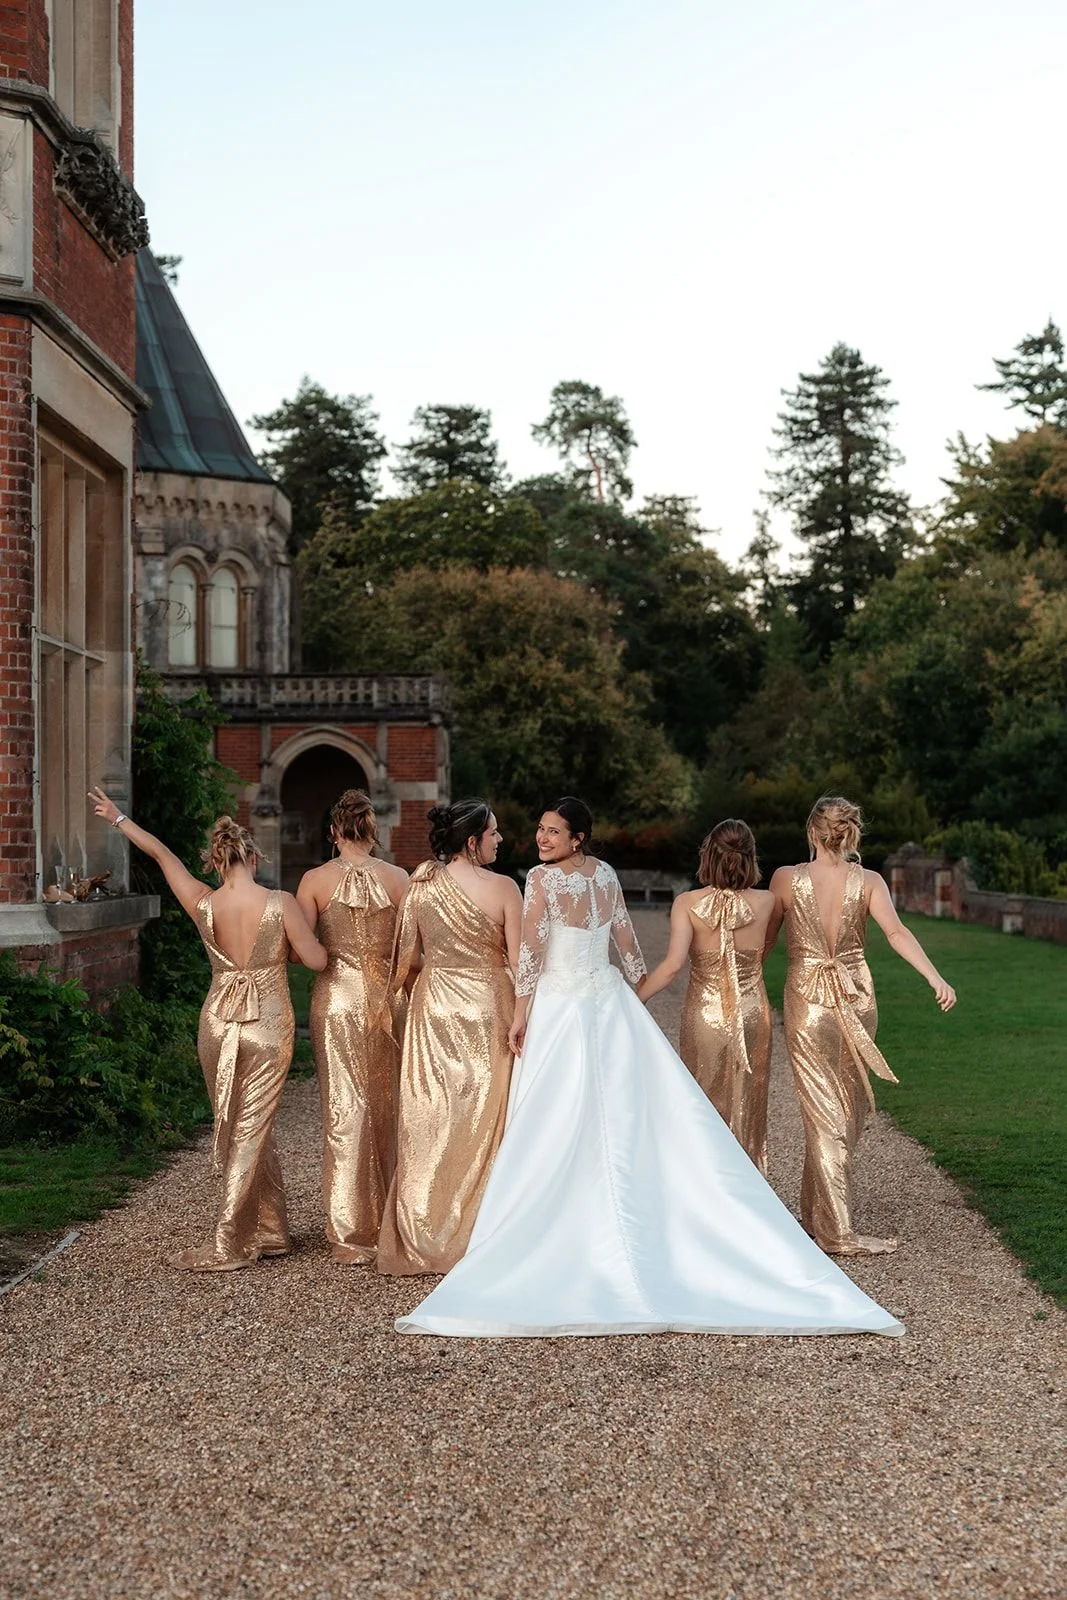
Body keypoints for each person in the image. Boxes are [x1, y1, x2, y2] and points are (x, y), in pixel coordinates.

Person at [396, 797, 903, 1339]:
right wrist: (626, 995)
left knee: (554, 1111)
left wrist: (523, 1013)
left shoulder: (540, 882)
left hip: (562, 1005)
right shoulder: (606, 874)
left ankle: (560, 1222)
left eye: (552, 831)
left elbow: (532, 957)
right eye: (540, 830)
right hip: (604, 998)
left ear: (577, 837)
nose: (540, 839)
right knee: (623, 1111)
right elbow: (628, 946)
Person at [88, 787, 326, 1271]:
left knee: (236, 1124)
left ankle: (271, 1229)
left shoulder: (202, 901)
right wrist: (298, 947)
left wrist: (118, 819)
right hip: (268, 1020)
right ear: (253, 856)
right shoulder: (279, 902)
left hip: (217, 1021)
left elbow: (161, 853)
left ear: (215, 862)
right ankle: (229, 1240)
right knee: (254, 1127)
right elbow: (317, 960)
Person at [767, 794, 957, 1258]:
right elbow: (896, 933)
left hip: (809, 1002)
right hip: (857, 998)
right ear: (850, 833)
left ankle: (823, 1219)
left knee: (825, 1112)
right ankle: (834, 1229)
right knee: (840, 1113)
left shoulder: (786, 878)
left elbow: (764, 936)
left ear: (812, 831)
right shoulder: (868, 880)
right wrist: (934, 976)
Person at [376, 799, 523, 1276]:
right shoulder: (504, 888)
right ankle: (480, 1233)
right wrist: (526, 1015)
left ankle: (422, 1231)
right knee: (484, 1116)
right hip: (488, 1007)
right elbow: (523, 966)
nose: (501, 839)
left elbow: (407, 958)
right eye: (494, 832)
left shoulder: (421, 884)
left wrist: (444, 964)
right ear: (472, 840)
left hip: (433, 1003)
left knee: (430, 1115)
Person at [296, 789, 408, 1266]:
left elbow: (305, 952)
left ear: (333, 833)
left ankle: (348, 1231)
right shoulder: (400, 878)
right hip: (388, 996)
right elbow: (411, 950)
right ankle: (391, 1216)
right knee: (390, 1105)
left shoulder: (314, 880)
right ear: (372, 831)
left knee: (344, 1107)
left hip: (337, 996)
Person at [637, 818, 774, 1173]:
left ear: (708, 855)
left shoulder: (686, 902)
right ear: (750, 856)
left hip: (705, 1015)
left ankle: (706, 1186)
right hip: (751, 1012)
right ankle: (748, 1191)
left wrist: (634, 998)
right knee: (749, 1101)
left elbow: (671, 967)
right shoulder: (768, 902)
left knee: (702, 1100)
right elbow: (763, 953)